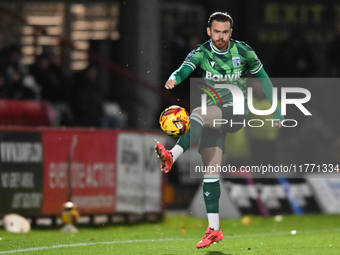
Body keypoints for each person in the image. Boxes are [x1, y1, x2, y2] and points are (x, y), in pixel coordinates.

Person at [155, 12, 284, 249]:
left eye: (225, 32)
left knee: (198, 114)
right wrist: (175, 77)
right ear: (209, 31)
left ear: (230, 32)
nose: (221, 36)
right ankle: (214, 229)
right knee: (210, 173)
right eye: (217, 32)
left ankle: (172, 154)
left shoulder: (244, 52)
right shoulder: (201, 52)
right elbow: (185, 68)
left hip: (234, 112)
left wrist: (277, 109)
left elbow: (264, 79)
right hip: (212, 119)